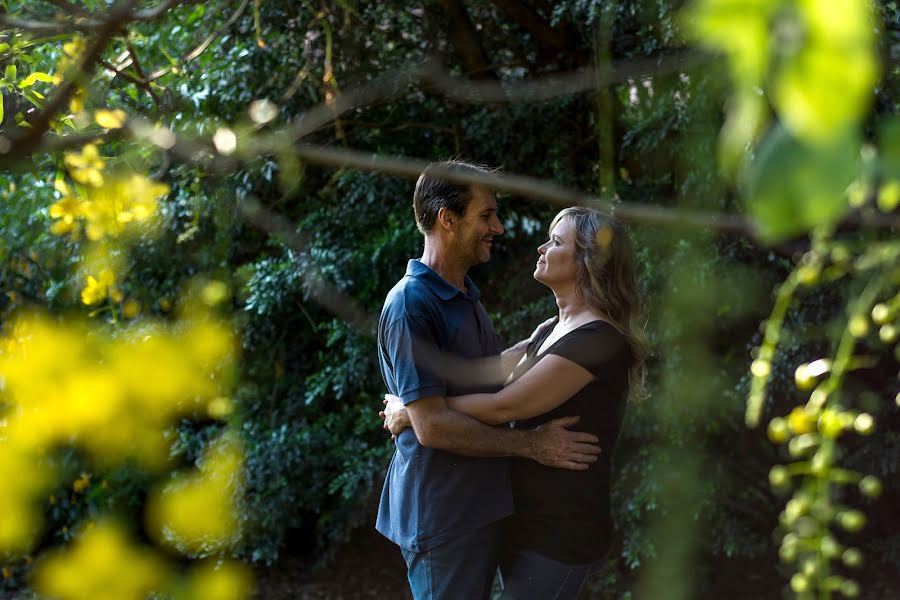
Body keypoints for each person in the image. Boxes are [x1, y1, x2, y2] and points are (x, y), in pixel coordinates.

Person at [383, 205, 649, 599]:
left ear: (589, 263)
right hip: (524, 522)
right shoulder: (553, 327)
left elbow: (504, 406)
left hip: (560, 532)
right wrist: (421, 397)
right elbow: (486, 374)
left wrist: (414, 411)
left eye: (556, 242)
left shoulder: (598, 341)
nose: (541, 248)